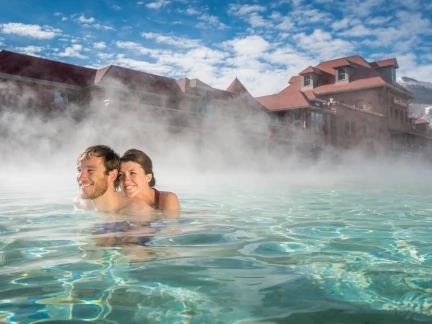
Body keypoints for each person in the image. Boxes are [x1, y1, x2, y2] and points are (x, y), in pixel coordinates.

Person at [75, 145, 154, 215]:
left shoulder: (137, 211)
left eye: (90, 170)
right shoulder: (80, 204)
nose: (81, 178)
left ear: (112, 175)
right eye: (79, 171)